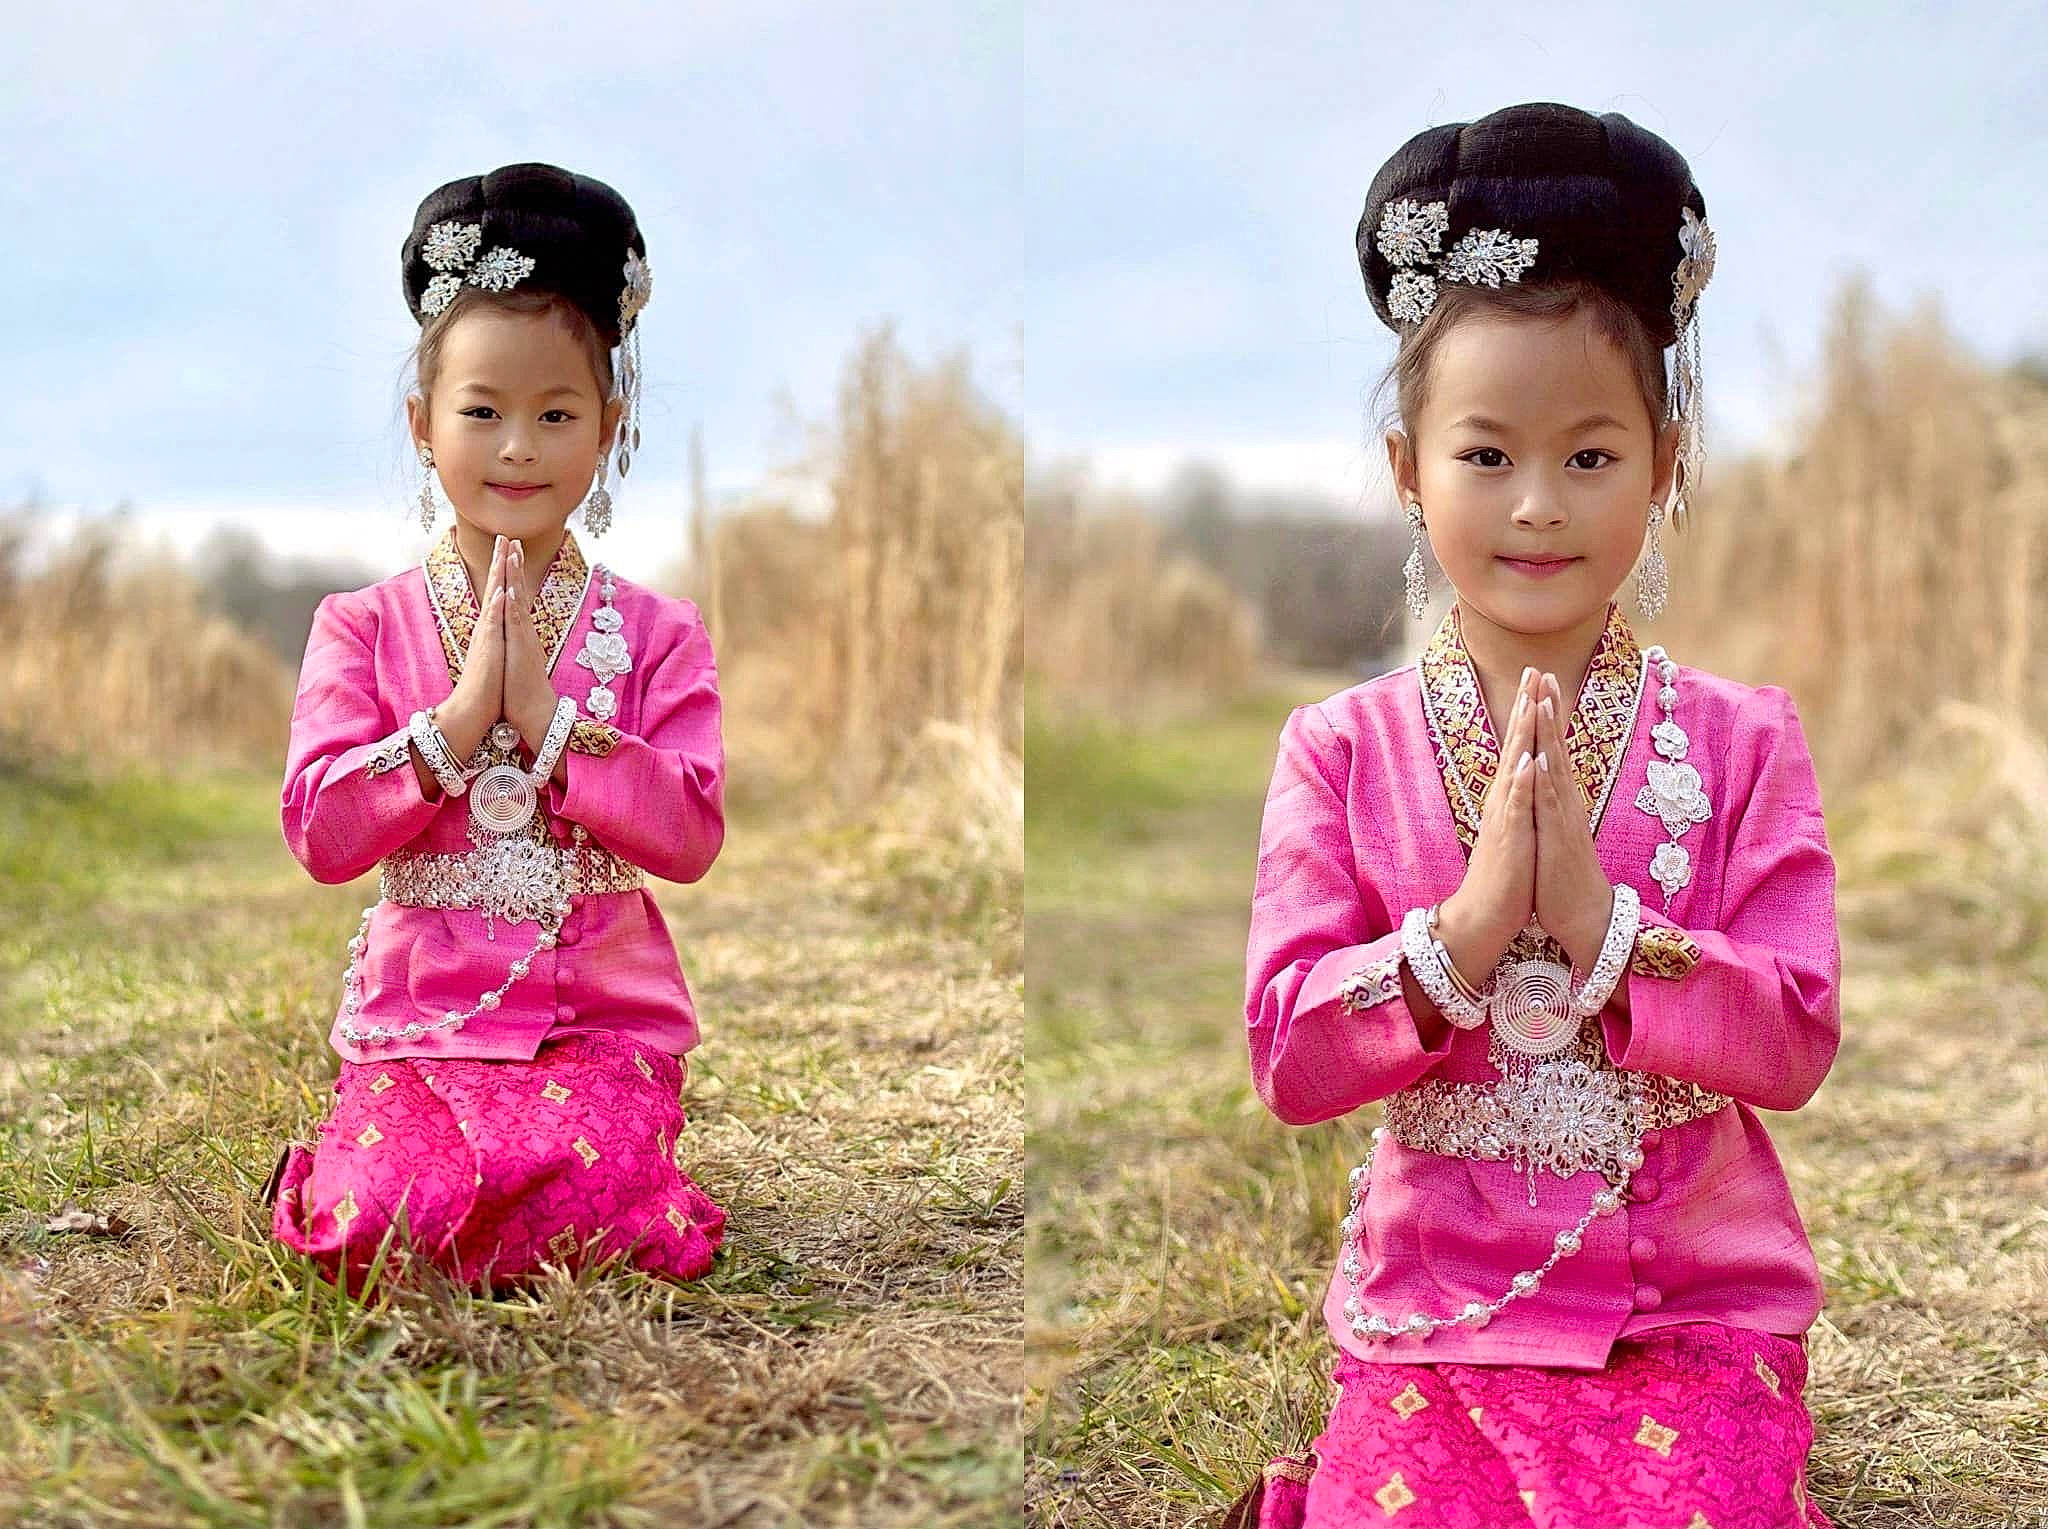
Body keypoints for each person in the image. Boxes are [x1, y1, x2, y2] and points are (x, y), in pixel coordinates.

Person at [1229, 104, 1839, 1528]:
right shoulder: (1338, 749)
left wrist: (1603, 930)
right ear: (1407, 471)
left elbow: (1796, 1035)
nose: (1540, 508)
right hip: (1444, 1306)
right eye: (1487, 455)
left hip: (1698, 1306)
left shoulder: (1746, 741)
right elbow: (1288, 1056)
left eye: (1591, 456)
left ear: (1666, 456)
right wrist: (1464, 930)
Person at [265, 162, 726, 1297]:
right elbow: (322, 837)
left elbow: (690, 835)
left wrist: (553, 727)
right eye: (482, 410)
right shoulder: (360, 627)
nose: (517, 446)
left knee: (598, 1193)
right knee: (379, 1224)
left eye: (556, 413)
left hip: (600, 1031)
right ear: (423, 425)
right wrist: (461, 720)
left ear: (609, 427)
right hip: (420, 1026)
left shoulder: (659, 632)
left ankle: (612, 1176)